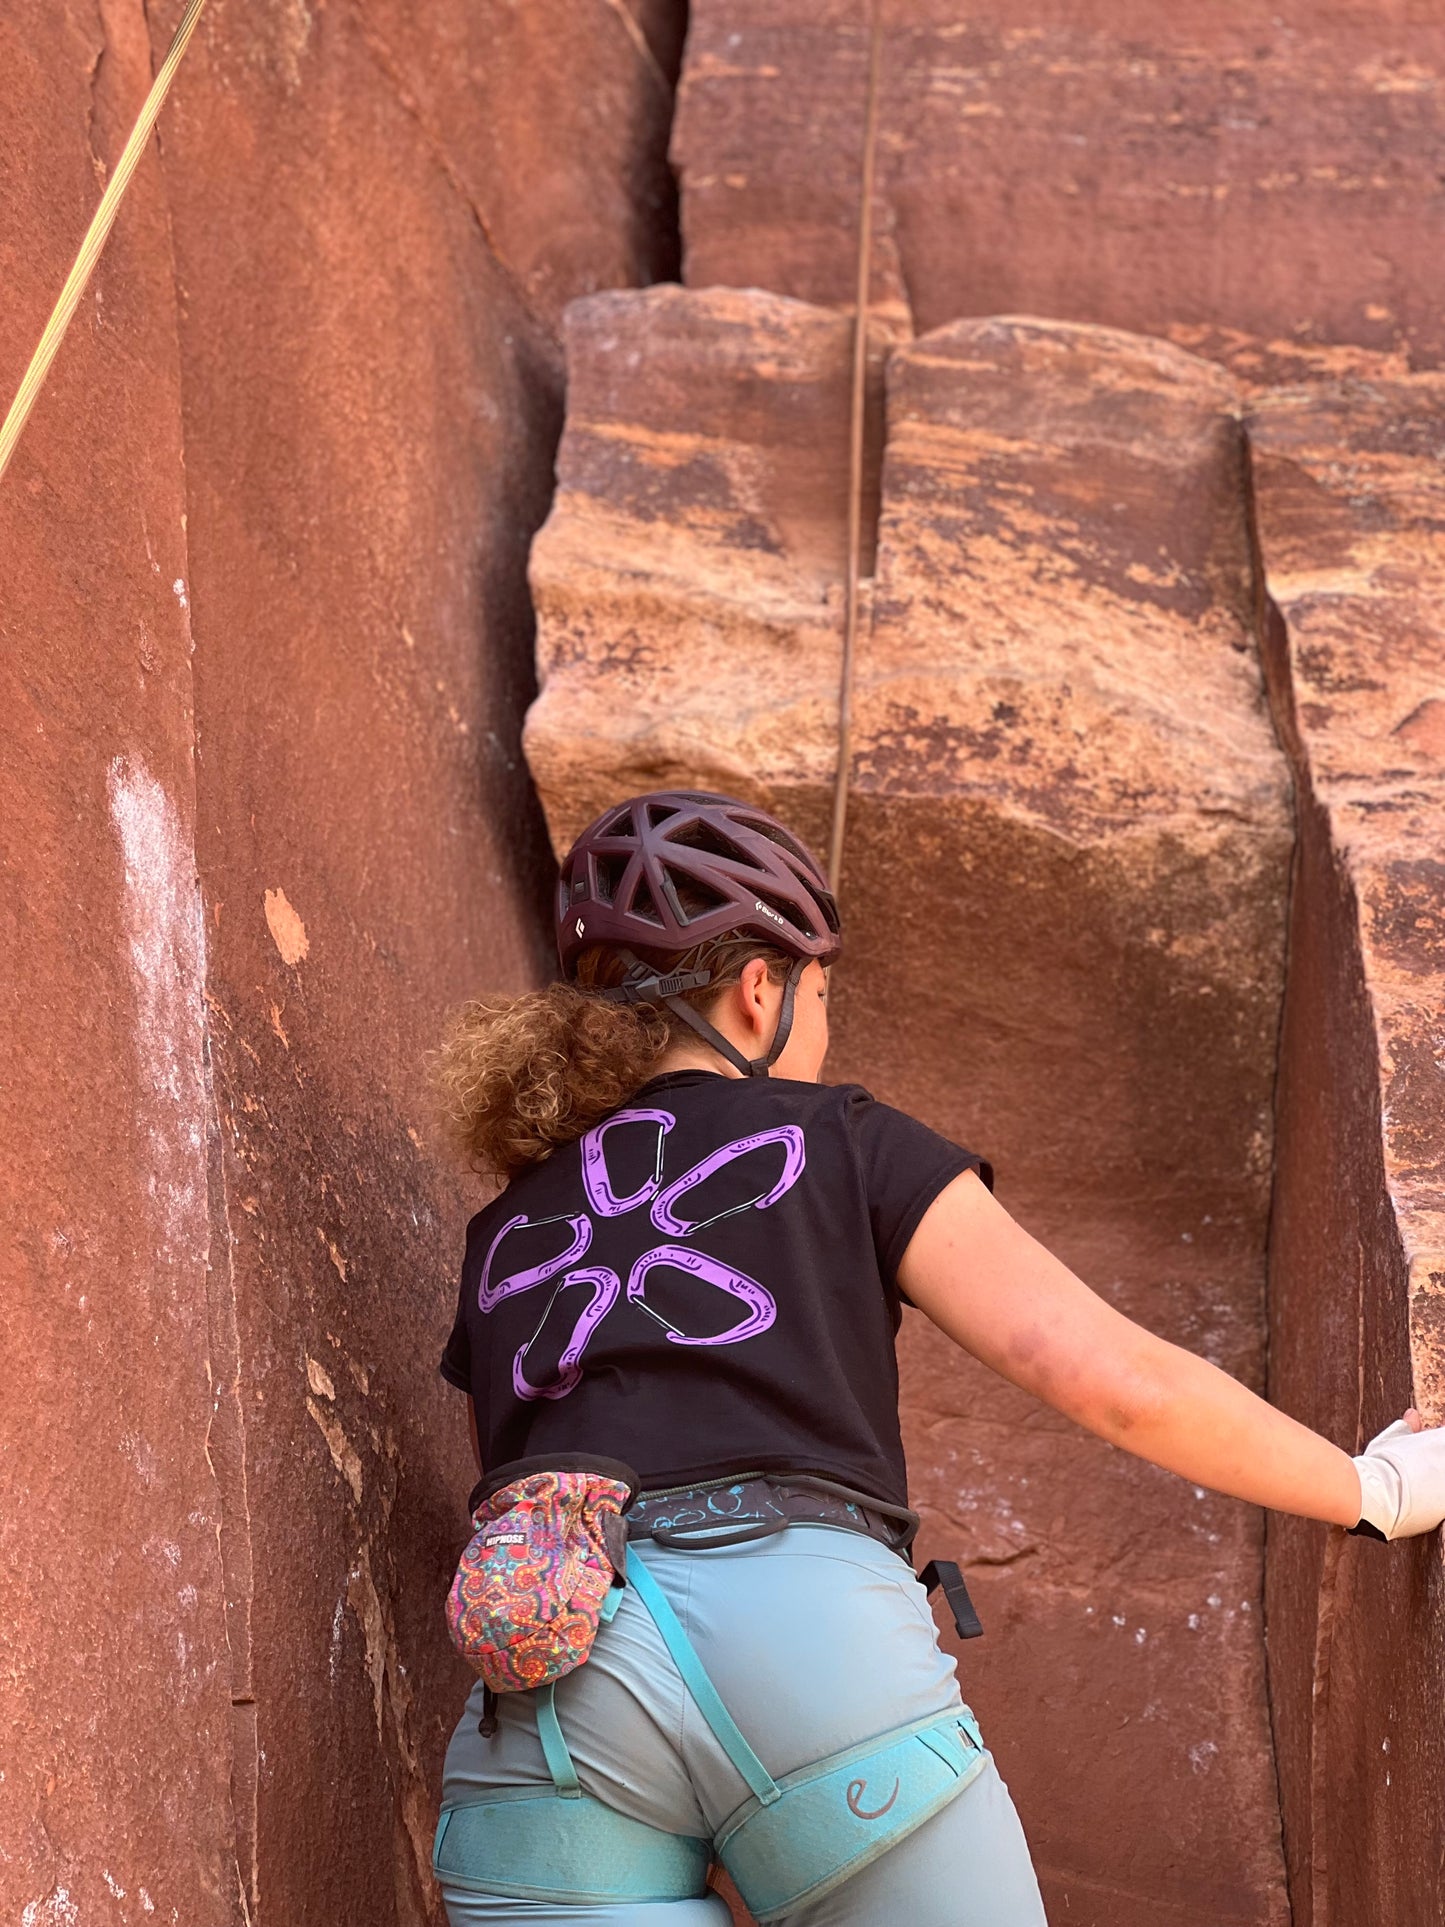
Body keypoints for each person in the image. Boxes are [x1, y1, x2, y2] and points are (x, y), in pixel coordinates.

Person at [428, 791, 1445, 1927]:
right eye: (818, 996)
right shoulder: (841, 1140)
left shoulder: (505, 1230)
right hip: (806, 1654)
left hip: (546, 1696)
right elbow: (1105, 1375)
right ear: (758, 989)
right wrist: (1372, 1490)